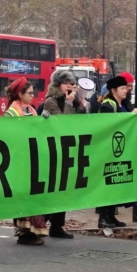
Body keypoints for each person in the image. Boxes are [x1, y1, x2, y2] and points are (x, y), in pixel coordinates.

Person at [41, 69, 87, 239]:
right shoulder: (50, 102)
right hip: (54, 151)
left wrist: (81, 106)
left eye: (72, 83)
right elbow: (62, 125)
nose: (71, 86)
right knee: (52, 190)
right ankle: (40, 222)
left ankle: (57, 225)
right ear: (57, 85)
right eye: (67, 83)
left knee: (64, 191)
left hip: (68, 150)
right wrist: (68, 104)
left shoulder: (73, 101)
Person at [4, 77, 47, 244]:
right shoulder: (11, 113)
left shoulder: (32, 109)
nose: (32, 96)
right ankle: (24, 233)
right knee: (23, 196)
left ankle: (34, 230)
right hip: (20, 160)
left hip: (33, 159)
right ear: (20, 94)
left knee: (35, 195)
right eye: (29, 93)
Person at [97, 76, 137, 228]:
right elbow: (109, 125)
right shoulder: (107, 105)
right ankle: (103, 218)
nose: (126, 90)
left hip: (119, 151)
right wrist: (130, 116)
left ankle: (111, 216)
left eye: (126, 88)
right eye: (123, 88)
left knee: (115, 183)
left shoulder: (123, 104)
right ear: (113, 90)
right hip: (109, 151)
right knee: (107, 184)